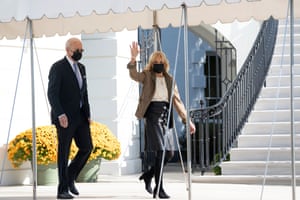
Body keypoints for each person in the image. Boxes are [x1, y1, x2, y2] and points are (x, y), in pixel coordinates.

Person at [127, 41, 196, 199]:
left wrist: (188, 121)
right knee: (162, 151)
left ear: (165, 64)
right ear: (152, 63)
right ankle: (159, 189)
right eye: (155, 62)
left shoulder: (170, 79)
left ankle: (148, 175)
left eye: (161, 62)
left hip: (166, 116)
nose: (158, 64)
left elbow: (177, 102)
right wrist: (133, 59)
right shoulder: (147, 75)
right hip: (152, 115)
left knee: (169, 153)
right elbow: (134, 75)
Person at [47, 37, 93, 199]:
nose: (80, 53)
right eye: (77, 50)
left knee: (87, 147)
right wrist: (60, 114)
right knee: (64, 152)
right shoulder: (58, 68)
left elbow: (84, 93)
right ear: (68, 50)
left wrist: (88, 114)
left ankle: (70, 176)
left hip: (80, 116)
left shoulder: (82, 68)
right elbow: (52, 94)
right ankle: (62, 190)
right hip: (65, 118)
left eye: (82, 50)